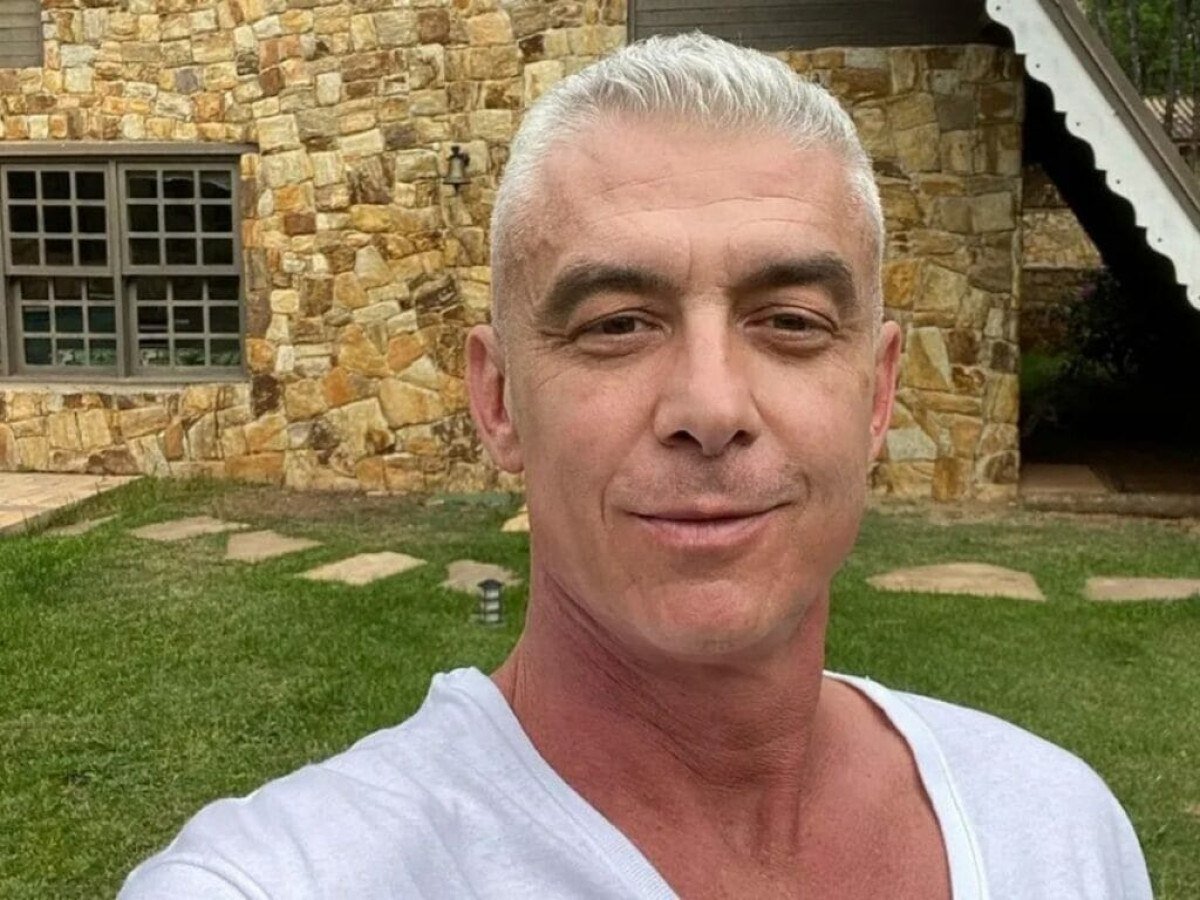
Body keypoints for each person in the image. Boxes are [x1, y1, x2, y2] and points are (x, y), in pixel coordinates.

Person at [120, 33, 1152, 899]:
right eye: (616, 324)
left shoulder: (1058, 834)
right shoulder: (282, 879)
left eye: (790, 322)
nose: (710, 408)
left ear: (877, 395)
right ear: (498, 401)